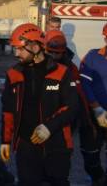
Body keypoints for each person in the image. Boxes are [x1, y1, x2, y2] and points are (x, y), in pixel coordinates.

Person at [0, 23, 77, 186]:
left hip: (57, 145)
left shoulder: (62, 72)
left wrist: (49, 127)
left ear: (35, 47)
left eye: (20, 49)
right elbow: (7, 111)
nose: (16, 53)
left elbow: (72, 107)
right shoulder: (13, 74)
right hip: (26, 146)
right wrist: (5, 140)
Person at [46, 29, 104, 184]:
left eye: (56, 53)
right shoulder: (92, 57)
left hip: (70, 121)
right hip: (47, 121)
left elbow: (79, 95)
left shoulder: (70, 70)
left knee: (62, 159)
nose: (53, 56)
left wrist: (88, 121)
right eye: (50, 52)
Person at [78, 22, 107, 185]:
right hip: (94, 116)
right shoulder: (93, 57)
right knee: (90, 154)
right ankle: (97, 177)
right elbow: (84, 83)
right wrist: (96, 108)